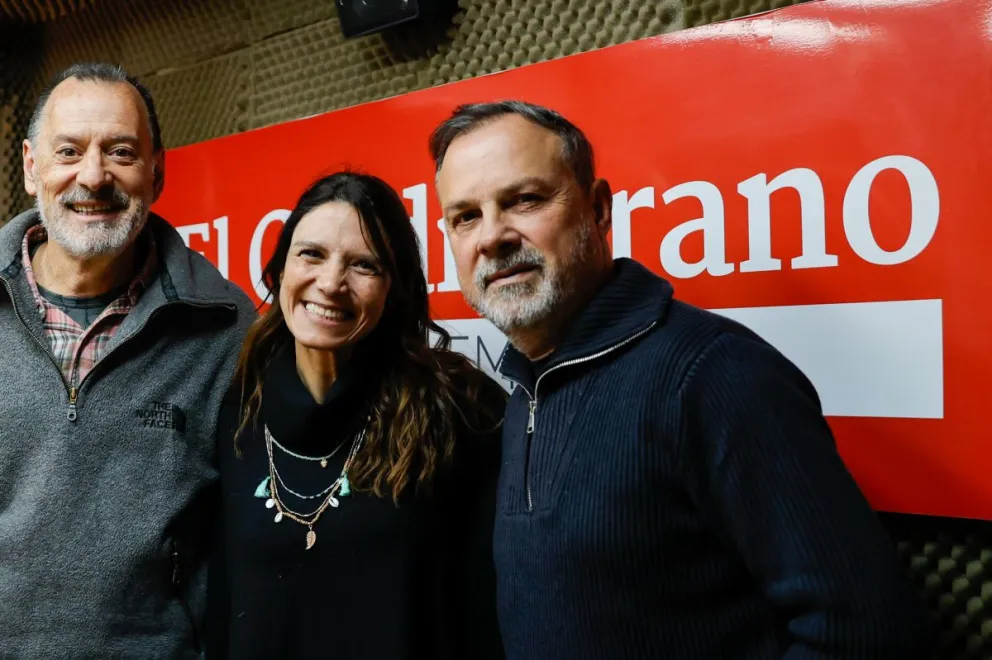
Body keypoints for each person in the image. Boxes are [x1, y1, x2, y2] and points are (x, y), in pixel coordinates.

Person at [429, 100, 931, 660]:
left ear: (598, 209)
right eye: (465, 216)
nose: (492, 236)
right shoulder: (524, 388)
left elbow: (861, 632)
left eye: (524, 200)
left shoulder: (714, 375)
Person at [0, 63, 256, 658]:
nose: (93, 176)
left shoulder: (226, 329)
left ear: (156, 171)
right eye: (69, 151)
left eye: (120, 152)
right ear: (31, 167)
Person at [208, 171, 506, 660]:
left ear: (394, 287)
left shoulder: (458, 408)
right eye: (311, 254)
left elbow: (490, 610)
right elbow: (223, 602)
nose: (331, 284)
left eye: (364, 265)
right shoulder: (236, 408)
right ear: (280, 268)